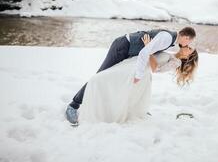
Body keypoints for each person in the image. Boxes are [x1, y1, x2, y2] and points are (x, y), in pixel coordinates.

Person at [65, 27, 196, 125]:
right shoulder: (168, 38)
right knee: (100, 76)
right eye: (190, 43)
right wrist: (139, 73)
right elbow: (145, 52)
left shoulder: (170, 42)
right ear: (187, 38)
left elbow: (151, 56)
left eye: (190, 48)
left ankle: (111, 107)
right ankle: (73, 105)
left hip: (130, 57)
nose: (188, 45)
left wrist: (148, 49)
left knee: (110, 80)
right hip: (123, 47)